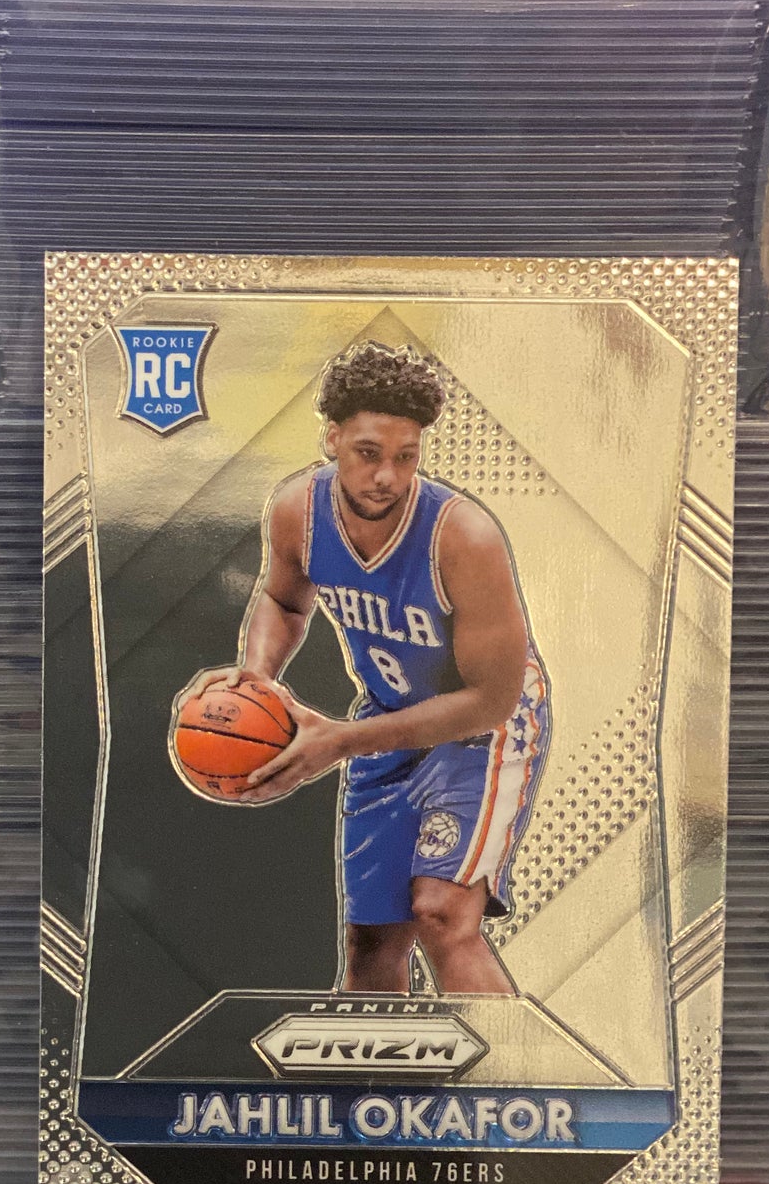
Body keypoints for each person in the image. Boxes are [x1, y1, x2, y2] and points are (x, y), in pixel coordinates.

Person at [181, 341, 549, 995]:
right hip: (389, 716)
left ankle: (514, 1059)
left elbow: (492, 699)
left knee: (442, 913)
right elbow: (282, 600)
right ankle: (374, 1065)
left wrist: (341, 741)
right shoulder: (298, 511)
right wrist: (257, 678)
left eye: (406, 457)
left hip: (486, 728)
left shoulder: (464, 537)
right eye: (369, 453)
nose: (387, 476)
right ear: (332, 438)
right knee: (372, 944)